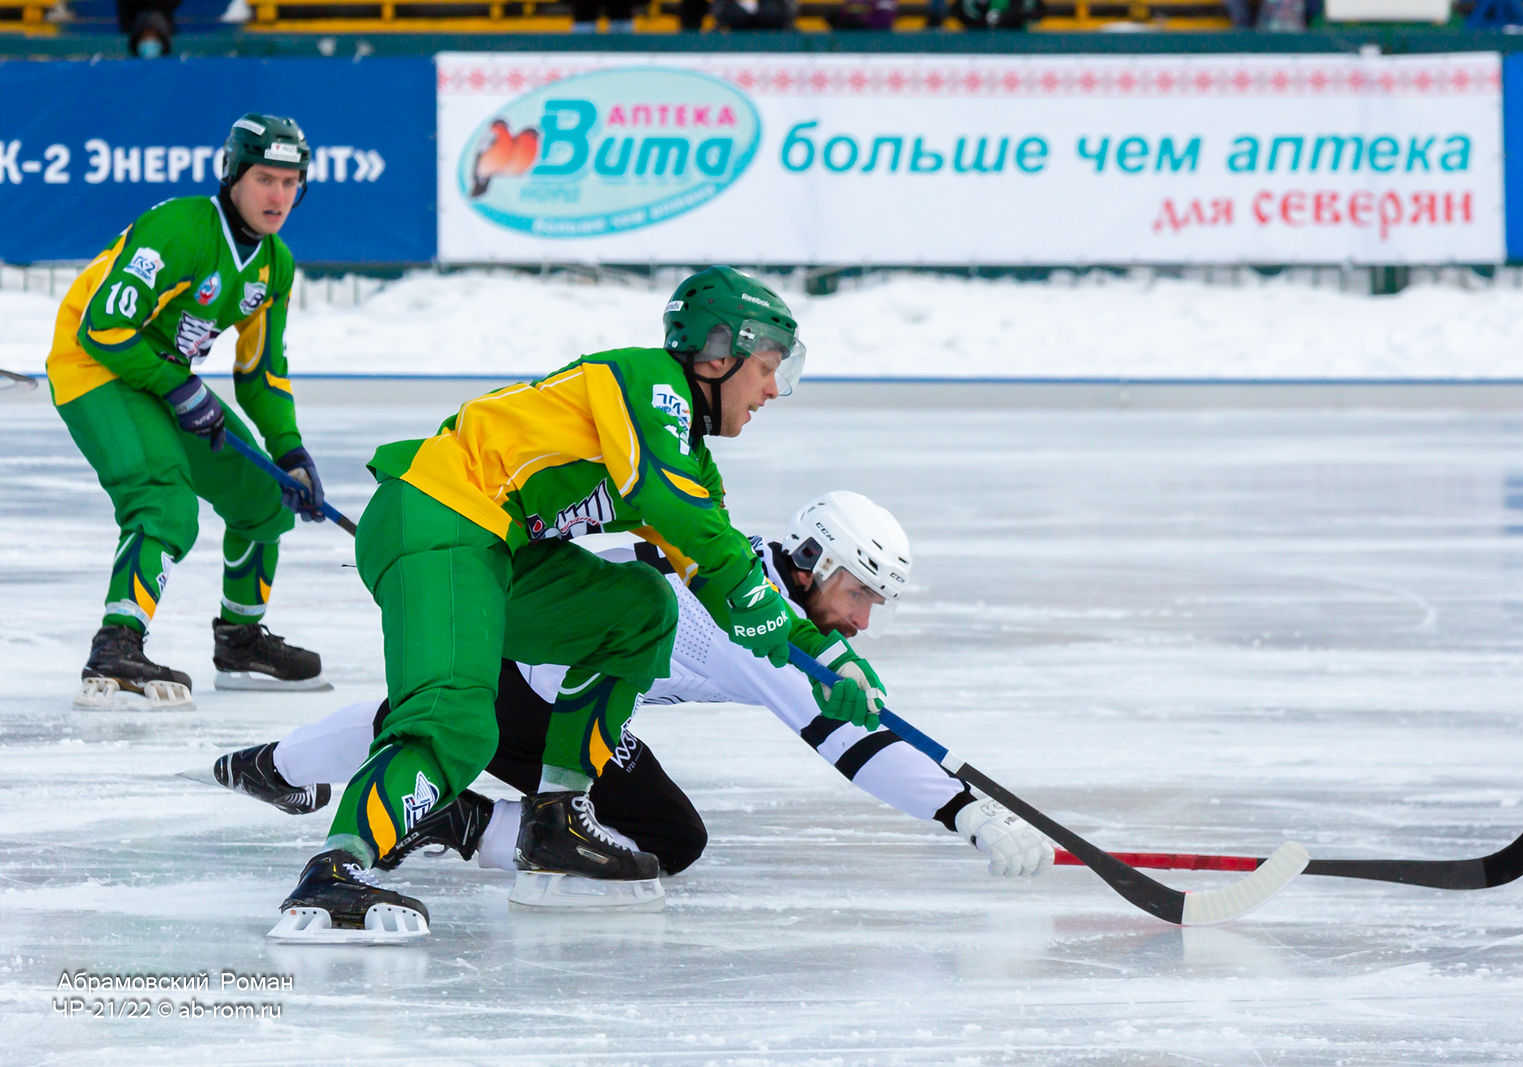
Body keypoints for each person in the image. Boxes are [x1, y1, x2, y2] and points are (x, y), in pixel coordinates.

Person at [270, 268, 888, 943]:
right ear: (718, 355)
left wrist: (827, 656)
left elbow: (714, 572)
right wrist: (800, 638)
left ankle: (555, 818)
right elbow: (675, 514)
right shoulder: (649, 385)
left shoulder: (688, 454)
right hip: (438, 513)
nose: (773, 390)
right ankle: (334, 870)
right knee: (456, 719)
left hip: (498, 545)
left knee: (642, 606)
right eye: (767, 368)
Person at [215, 491, 1053, 908]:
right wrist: (963, 813)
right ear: (814, 562)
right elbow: (850, 742)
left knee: (422, 714)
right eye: (860, 592)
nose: (866, 618)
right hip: (548, 697)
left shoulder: (747, 572)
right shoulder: (758, 627)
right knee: (667, 838)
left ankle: (274, 764)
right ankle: (454, 819)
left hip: (529, 659)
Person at [46, 113, 330, 712]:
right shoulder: (179, 228)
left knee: (262, 498)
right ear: (232, 177)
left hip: (162, 372)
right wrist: (180, 389)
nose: (278, 195)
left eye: (290, 180)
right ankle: (117, 643)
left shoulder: (275, 263)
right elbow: (103, 329)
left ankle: (240, 640)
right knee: (164, 499)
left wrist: (290, 451)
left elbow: (261, 373)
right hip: (95, 365)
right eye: (264, 178)